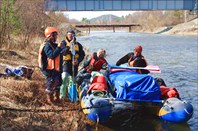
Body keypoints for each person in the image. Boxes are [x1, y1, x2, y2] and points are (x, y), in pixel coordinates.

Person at [38, 27, 63, 105]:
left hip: (56, 68)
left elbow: (59, 53)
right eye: (55, 35)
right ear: (50, 36)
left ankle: (57, 98)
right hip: (49, 69)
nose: (56, 37)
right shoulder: (46, 45)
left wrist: (64, 49)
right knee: (51, 84)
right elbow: (51, 55)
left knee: (58, 83)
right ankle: (50, 100)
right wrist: (59, 47)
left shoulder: (53, 44)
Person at [60, 29, 85, 100]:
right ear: (67, 35)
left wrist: (78, 60)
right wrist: (69, 45)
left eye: (72, 35)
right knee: (64, 78)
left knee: (73, 80)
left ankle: (72, 96)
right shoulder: (63, 43)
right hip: (66, 63)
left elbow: (82, 55)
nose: (71, 36)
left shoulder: (78, 45)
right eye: (69, 35)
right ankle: (62, 96)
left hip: (74, 65)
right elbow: (63, 53)